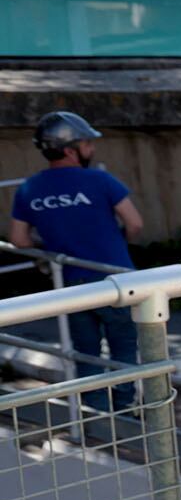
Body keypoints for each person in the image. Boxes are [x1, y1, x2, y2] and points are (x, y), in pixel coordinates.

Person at [9, 109, 145, 409]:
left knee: (86, 352)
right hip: (117, 280)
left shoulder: (29, 190)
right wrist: (120, 245)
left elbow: (18, 240)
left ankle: (95, 415)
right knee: (124, 347)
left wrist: (49, 250)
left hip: (70, 283)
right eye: (87, 143)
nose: (91, 149)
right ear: (71, 149)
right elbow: (134, 223)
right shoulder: (100, 180)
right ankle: (125, 410)